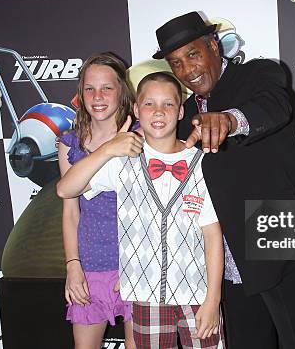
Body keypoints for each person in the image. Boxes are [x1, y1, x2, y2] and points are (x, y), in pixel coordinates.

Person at [152, 12, 295, 349]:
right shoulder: (185, 113)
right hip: (228, 255)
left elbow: (273, 106)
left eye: (193, 54)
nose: (188, 70)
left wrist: (230, 121)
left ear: (214, 47)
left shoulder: (260, 73)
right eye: (176, 63)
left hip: (281, 238)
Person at [57, 72, 225, 349]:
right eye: (149, 104)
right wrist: (107, 149)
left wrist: (213, 300)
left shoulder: (201, 163)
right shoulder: (123, 161)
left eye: (168, 104)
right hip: (146, 297)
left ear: (181, 110)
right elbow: (66, 190)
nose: (158, 112)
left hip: (197, 294)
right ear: (136, 109)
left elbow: (212, 236)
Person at [58, 52, 136, 349]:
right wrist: (73, 266)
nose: (98, 96)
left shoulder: (141, 138)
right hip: (90, 266)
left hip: (136, 265)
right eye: (90, 88)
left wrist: (137, 263)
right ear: (81, 93)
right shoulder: (69, 144)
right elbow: (70, 211)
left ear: (122, 92)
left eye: (107, 88)